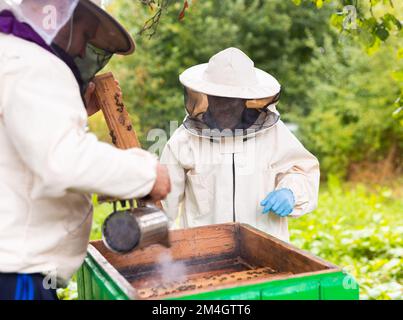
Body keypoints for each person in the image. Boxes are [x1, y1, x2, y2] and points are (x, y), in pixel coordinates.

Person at [0, 0, 170, 300]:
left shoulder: (11, 53)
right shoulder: (33, 61)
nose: (82, 50)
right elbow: (62, 161)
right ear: (60, 17)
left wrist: (73, 111)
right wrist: (147, 173)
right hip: (16, 273)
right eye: (84, 34)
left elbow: (24, 144)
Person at [161, 47, 319, 243]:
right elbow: (163, 204)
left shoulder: (274, 134)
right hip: (202, 252)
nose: (224, 106)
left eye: (231, 100)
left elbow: (302, 171)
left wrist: (291, 191)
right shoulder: (184, 140)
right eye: (218, 99)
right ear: (207, 97)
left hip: (266, 248)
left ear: (244, 100)